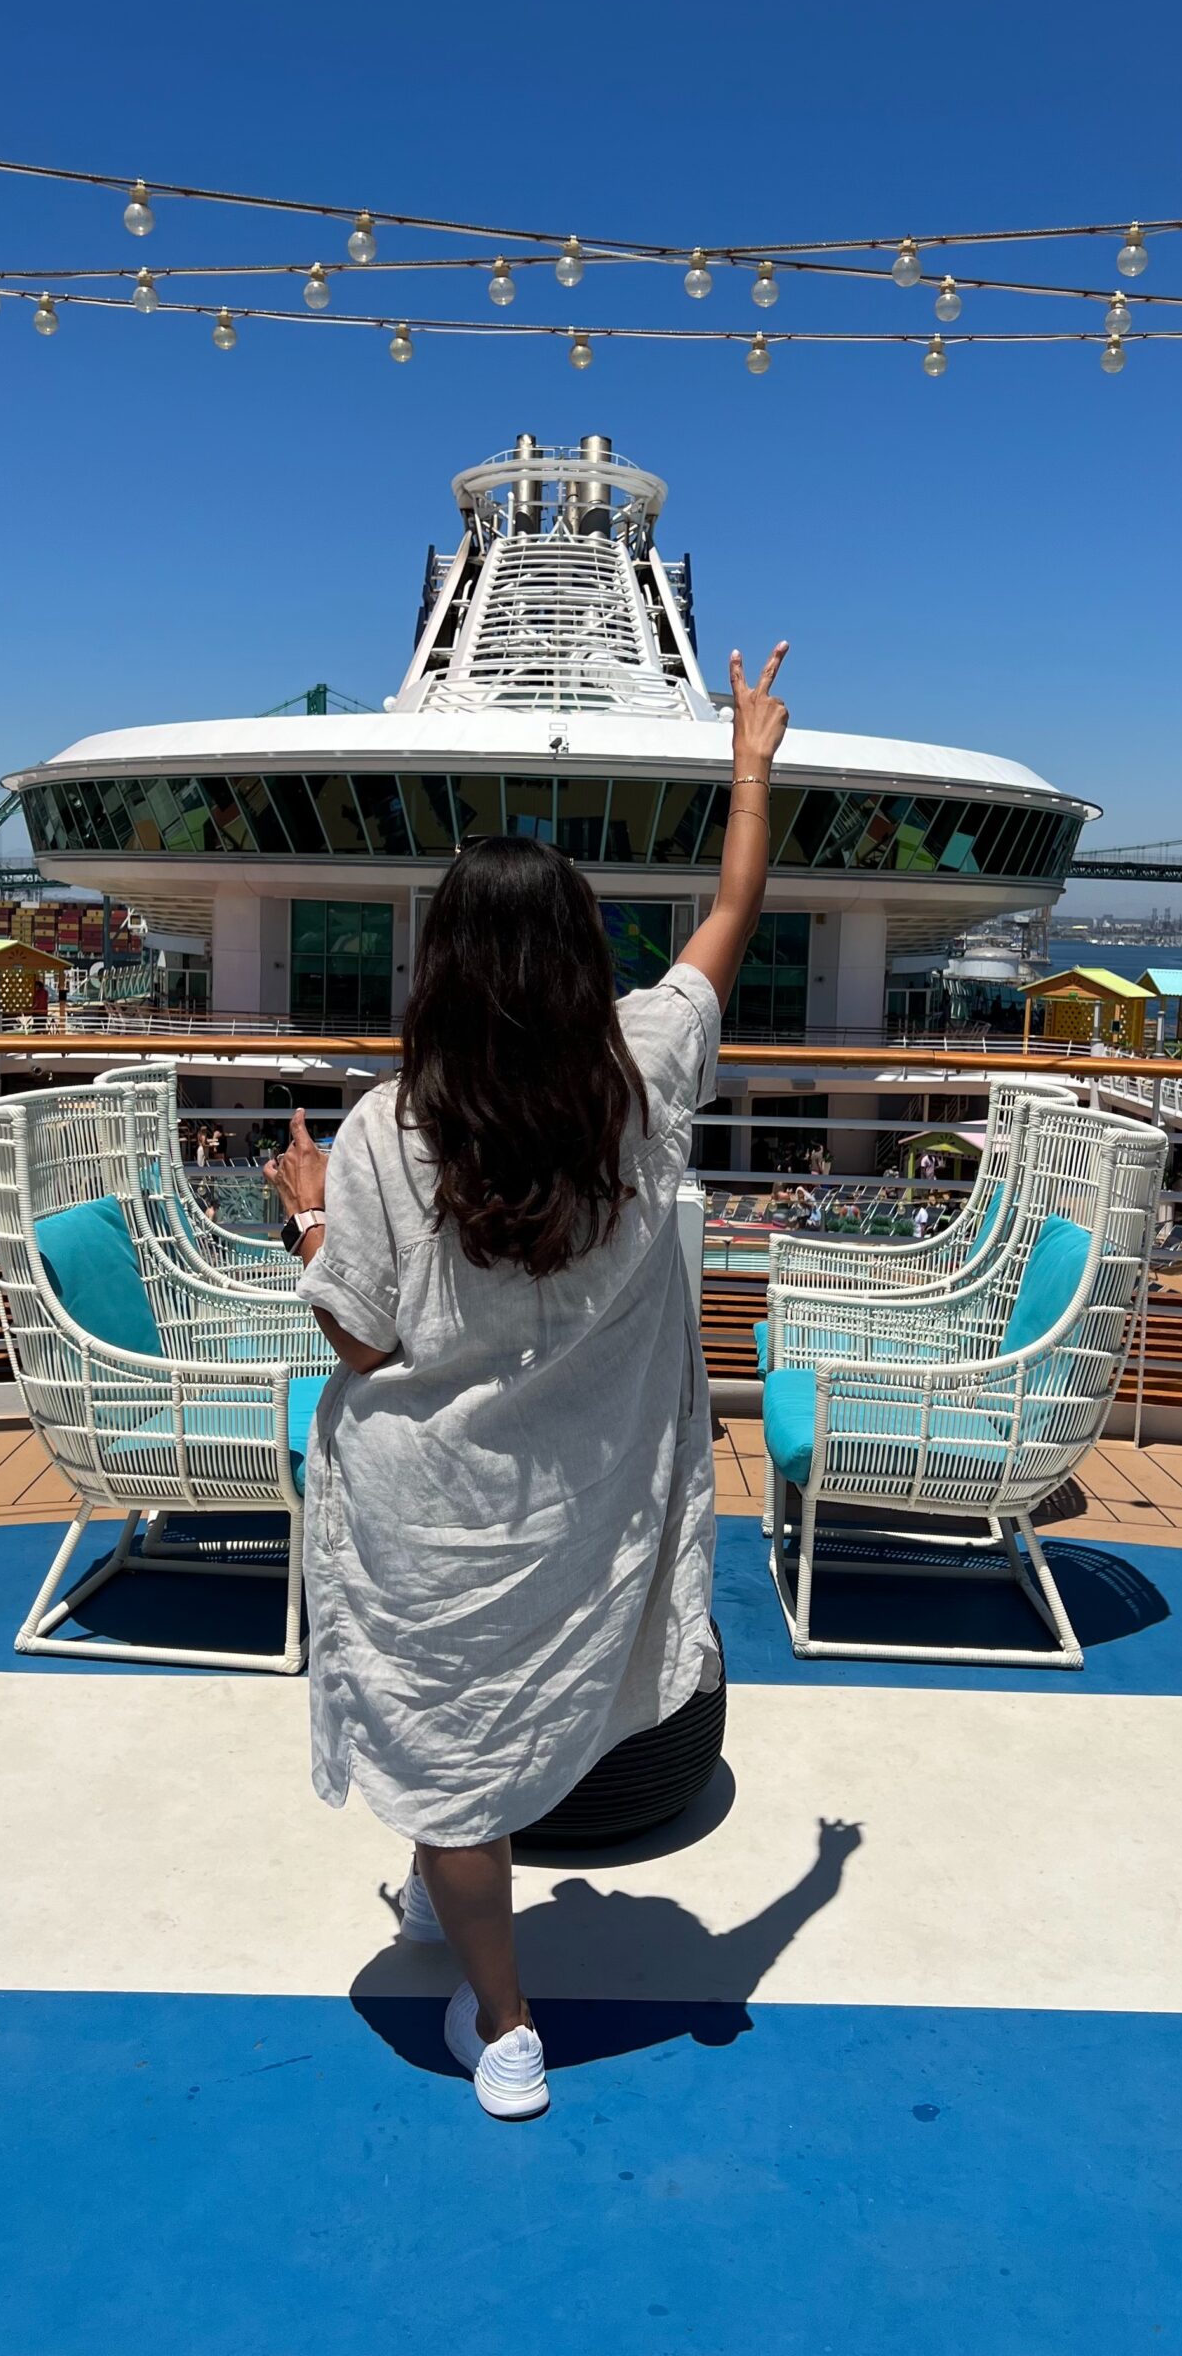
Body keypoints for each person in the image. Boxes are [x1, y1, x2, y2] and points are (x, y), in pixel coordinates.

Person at [264, 642, 790, 2123]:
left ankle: (505, 2025)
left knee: (453, 1753)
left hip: (432, 1512)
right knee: (502, 1746)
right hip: (577, 1506)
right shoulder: (638, 1073)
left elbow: (360, 1342)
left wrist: (306, 1211)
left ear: (440, 967)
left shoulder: (383, 1129)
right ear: (578, 960)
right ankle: (471, 1943)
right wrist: (748, 772)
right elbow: (733, 913)